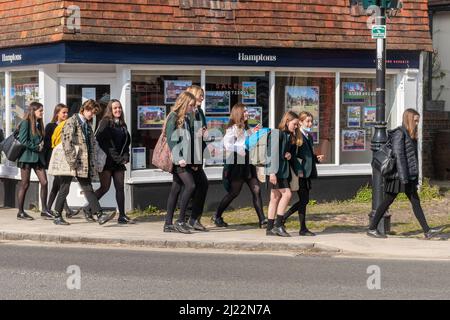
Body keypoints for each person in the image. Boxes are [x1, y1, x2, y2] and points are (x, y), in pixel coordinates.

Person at [367, 108, 444, 239]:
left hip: (407, 175)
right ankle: (372, 228)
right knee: (388, 201)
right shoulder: (399, 133)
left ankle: (427, 231)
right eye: (415, 120)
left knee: (414, 202)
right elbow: (399, 156)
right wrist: (404, 178)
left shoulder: (409, 134)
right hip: (399, 176)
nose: (417, 123)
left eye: (418, 121)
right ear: (409, 119)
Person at [54, 99, 116, 225]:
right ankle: (57, 216)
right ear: (84, 109)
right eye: (90, 112)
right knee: (64, 188)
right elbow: (67, 142)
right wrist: (72, 162)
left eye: (93, 113)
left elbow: (90, 144)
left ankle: (99, 215)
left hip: (82, 163)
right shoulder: (72, 122)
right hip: (71, 162)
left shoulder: (86, 125)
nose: (91, 115)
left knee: (87, 188)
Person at [211, 104, 267, 228]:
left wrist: (254, 132)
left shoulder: (246, 127)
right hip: (237, 162)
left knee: (256, 189)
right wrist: (240, 148)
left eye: (247, 111)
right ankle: (217, 215)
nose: (247, 113)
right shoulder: (232, 129)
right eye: (245, 111)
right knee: (234, 192)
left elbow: (247, 141)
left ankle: (262, 220)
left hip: (248, 162)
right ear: (239, 113)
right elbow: (227, 145)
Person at [283, 111, 324, 236]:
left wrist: (317, 159)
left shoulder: (309, 136)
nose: (310, 123)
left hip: (307, 172)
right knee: (304, 200)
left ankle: (299, 226)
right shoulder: (297, 135)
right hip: (299, 172)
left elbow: (309, 155)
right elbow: (293, 155)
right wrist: (299, 169)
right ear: (300, 122)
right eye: (307, 121)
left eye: (311, 121)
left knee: (304, 200)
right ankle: (288, 220)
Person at [163, 91, 198, 233]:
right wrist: (180, 158)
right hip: (179, 160)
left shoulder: (187, 118)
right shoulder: (173, 117)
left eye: (194, 105)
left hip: (185, 159)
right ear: (184, 104)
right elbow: (171, 139)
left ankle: (167, 223)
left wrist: (192, 160)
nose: (192, 108)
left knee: (175, 189)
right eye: (191, 105)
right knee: (190, 186)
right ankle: (180, 221)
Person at [94, 99, 133, 224]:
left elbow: (126, 143)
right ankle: (89, 207)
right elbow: (101, 141)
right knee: (105, 187)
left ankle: (122, 215)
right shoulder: (105, 122)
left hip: (119, 162)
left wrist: (126, 156)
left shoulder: (122, 124)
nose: (118, 110)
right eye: (115, 108)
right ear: (110, 110)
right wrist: (116, 157)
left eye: (119, 108)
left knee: (120, 187)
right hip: (107, 161)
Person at [266, 111, 301, 237]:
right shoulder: (277, 134)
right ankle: (278, 225)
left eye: (297, 125)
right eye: (294, 124)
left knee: (274, 198)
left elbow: (288, 155)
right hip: (276, 171)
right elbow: (271, 154)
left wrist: (290, 155)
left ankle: (269, 228)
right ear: (287, 122)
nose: (296, 126)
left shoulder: (289, 136)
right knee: (287, 194)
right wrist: (272, 173)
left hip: (281, 171)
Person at [16, 102, 53, 221]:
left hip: (37, 159)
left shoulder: (38, 124)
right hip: (26, 158)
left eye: (42, 110)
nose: (42, 113)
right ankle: (20, 212)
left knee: (45, 182)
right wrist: (36, 147)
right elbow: (22, 140)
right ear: (33, 111)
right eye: (40, 111)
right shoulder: (26, 122)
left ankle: (44, 210)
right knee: (25, 184)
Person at [184, 85, 209, 231]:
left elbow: (202, 130)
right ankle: (188, 218)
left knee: (200, 186)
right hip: (190, 156)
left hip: (198, 154)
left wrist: (205, 133)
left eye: (203, 95)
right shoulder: (189, 113)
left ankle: (193, 218)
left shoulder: (199, 112)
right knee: (193, 186)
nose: (202, 98)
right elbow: (188, 135)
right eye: (200, 95)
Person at [44, 103, 74, 218]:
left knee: (57, 186)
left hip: (64, 159)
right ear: (57, 114)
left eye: (67, 112)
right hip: (55, 159)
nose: (66, 115)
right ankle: (65, 210)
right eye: (63, 113)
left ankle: (49, 208)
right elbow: (47, 144)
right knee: (60, 185)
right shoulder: (51, 126)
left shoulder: (68, 125)